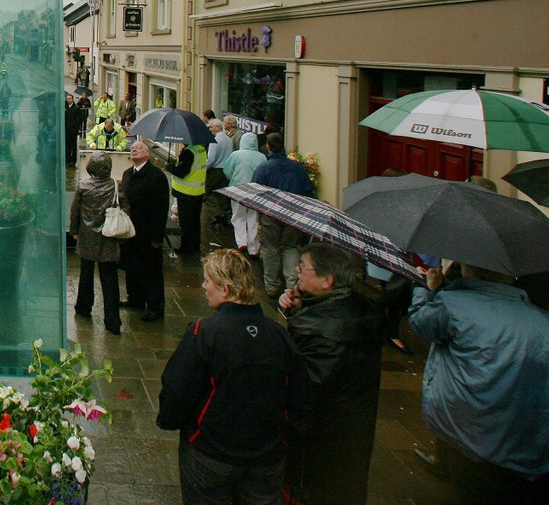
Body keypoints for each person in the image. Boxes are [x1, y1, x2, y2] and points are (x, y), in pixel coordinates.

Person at [410, 261, 549, 502]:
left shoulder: (454, 304)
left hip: (468, 431)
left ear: (468, 271)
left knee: (474, 491)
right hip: (522, 443)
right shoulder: (543, 321)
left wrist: (425, 287)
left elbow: (421, 322)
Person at [157, 249, 312, 504]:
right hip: (266, 457)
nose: (204, 286)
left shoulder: (204, 332)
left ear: (225, 289)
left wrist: (174, 422)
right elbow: (299, 396)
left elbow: (177, 388)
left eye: (208, 280)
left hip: (211, 453)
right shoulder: (278, 335)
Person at [278, 244, 382, 504]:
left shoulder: (328, 334)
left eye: (304, 267)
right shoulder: (356, 307)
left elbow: (306, 390)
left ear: (327, 281)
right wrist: (299, 308)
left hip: (321, 449)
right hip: (350, 439)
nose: (298, 272)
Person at [252, 133, 313, 298]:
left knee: (270, 249)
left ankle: (272, 286)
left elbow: (255, 192)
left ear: (268, 147)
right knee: (290, 247)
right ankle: (292, 285)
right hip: (294, 214)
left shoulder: (264, 168)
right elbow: (308, 191)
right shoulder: (298, 168)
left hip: (270, 214)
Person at [69, 151, 122, 335]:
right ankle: (112, 320)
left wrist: (74, 231)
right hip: (108, 236)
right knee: (109, 279)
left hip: (87, 236)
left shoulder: (83, 186)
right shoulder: (116, 186)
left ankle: (84, 307)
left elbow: (75, 211)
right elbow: (125, 209)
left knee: (86, 273)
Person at [119, 140, 169, 322]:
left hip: (148, 233)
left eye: (138, 148)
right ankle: (135, 298)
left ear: (147, 154)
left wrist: (157, 237)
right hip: (131, 231)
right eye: (132, 148)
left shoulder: (156, 176)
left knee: (151, 271)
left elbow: (162, 208)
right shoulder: (127, 174)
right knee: (132, 267)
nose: (134, 149)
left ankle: (155, 306)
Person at [222, 132, 267, 259]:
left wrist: (233, 179)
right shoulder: (262, 157)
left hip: (238, 189)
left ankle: (241, 242)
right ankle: (254, 248)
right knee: (253, 219)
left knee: (238, 216)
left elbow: (227, 171)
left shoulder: (236, 155)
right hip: (256, 191)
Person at [166, 138, 208, 256]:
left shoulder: (188, 152)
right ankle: (195, 245)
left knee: (185, 222)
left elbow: (182, 172)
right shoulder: (201, 150)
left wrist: (170, 167)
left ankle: (186, 248)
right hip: (198, 191)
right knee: (195, 220)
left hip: (186, 193)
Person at [203, 118, 233, 226]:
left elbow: (211, 159)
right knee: (222, 193)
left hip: (215, 170)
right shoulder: (228, 139)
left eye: (211, 127)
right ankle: (224, 213)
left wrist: (204, 168)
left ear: (217, 127)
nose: (210, 129)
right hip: (225, 170)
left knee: (210, 193)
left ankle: (219, 214)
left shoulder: (214, 140)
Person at [63, 93, 85, 168]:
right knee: (67, 145)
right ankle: (67, 159)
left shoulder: (76, 108)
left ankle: (73, 160)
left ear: (72, 99)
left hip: (73, 130)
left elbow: (78, 120)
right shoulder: (65, 107)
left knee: (73, 146)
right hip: (66, 130)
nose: (68, 100)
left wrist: (76, 129)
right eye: (67, 98)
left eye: (69, 98)